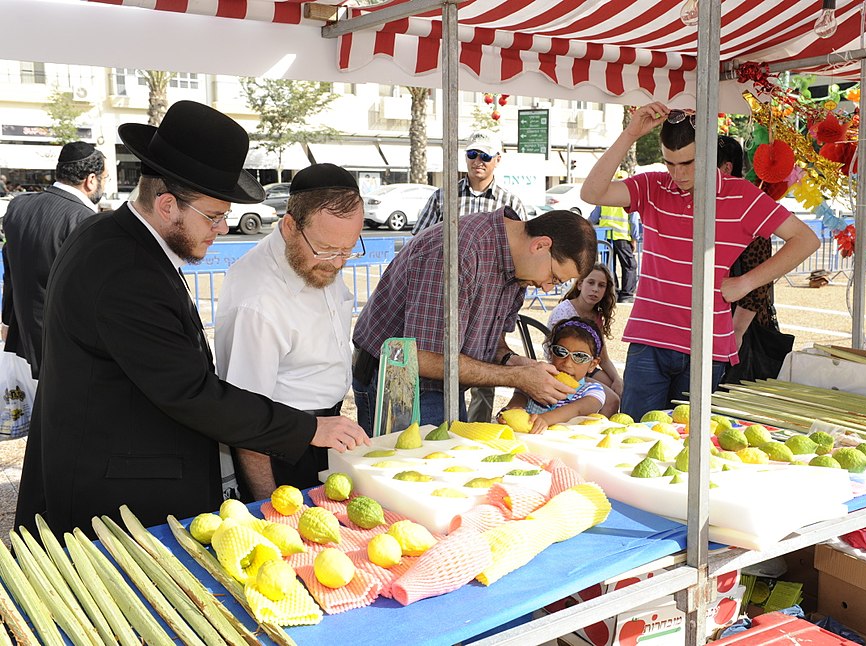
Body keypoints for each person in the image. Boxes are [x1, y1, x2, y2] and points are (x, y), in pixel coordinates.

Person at [14, 101, 369, 536]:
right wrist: (309, 428)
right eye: (216, 215)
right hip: (116, 496)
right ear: (167, 205)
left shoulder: (114, 238)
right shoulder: (125, 270)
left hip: (113, 469)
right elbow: (192, 393)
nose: (223, 229)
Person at [580, 103, 819, 419]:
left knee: (691, 446)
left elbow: (806, 240)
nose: (678, 173)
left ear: (709, 151)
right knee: (634, 436)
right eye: (670, 162)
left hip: (708, 345)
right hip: (649, 337)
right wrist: (630, 134)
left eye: (688, 163)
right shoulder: (652, 185)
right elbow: (591, 193)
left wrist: (745, 283)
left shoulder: (742, 195)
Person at [352, 207, 598, 434]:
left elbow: (492, 341)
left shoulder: (520, 266)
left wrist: (516, 363)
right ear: (541, 245)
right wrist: (516, 377)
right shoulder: (458, 252)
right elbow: (421, 357)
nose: (546, 288)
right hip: (397, 386)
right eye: (553, 278)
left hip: (447, 384)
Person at [215, 164, 367, 501]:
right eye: (328, 249)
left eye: (349, 249)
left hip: (328, 431)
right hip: (280, 452)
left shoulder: (318, 254)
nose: (338, 263)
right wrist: (267, 503)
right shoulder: (256, 300)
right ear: (289, 226)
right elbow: (246, 421)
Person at [412, 130, 528, 424]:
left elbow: (520, 255)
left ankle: (476, 428)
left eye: (486, 156)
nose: (479, 161)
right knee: (436, 368)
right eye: (473, 154)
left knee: (484, 378)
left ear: (498, 160)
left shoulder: (509, 203)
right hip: (441, 297)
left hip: (485, 307)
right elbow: (418, 242)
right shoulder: (443, 196)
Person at [1, 142, 108, 378]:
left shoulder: (19, 206)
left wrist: (7, 321)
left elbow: (10, 267)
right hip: (70, 352)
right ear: (91, 180)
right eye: (105, 178)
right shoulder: (86, 221)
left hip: (25, 343)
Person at [716, 135, 781, 346]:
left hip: (740, 324)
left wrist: (737, 331)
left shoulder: (748, 204)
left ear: (726, 168)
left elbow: (759, 278)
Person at [499, 317, 607, 433]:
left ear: (592, 364)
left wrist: (546, 419)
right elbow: (518, 398)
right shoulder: (535, 381)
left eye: (580, 356)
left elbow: (578, 410)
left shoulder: (592, 391)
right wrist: (510, 412)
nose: (567, 363)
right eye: (561, 351)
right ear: (551, 353)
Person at [547, 262, 622, 415]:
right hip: (564, 367)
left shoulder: (596, 315)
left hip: (585, 364)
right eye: (591, 282)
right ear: (580, 284)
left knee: (619, 389)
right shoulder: (565, 311)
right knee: (612, 400)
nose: (595, 289)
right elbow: (555, 354)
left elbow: (603, 358)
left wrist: (617, 380)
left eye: (601, 285)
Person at [589, 170, 641, 302]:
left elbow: (593, 218)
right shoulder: (629, 198)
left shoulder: (605, 198)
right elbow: (633, 221)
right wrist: (634, 238)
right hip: (622, 237)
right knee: (629, 265)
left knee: (609, 266)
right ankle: (627, 295)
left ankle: (613, 293)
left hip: (606, 238)